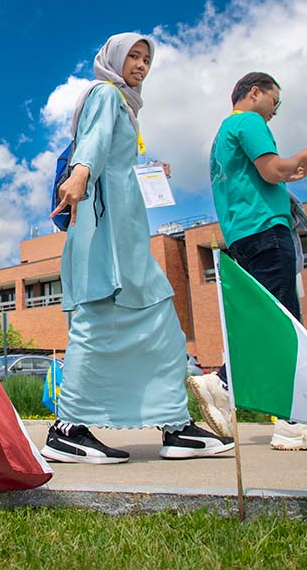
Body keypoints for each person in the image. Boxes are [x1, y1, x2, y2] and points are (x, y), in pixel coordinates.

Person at [42, 33, 233, 464]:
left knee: (161, 332)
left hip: (124, 239)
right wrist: (79, 175)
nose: (142, 64)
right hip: (104, 237)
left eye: (147, 58)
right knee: (94, 327)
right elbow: (90, 143)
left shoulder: (126, 106)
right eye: (134, 55)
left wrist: (146, 169)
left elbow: (111, 156)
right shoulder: (106, 94)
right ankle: (67, 430)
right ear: (112, 58)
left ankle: (173, 424)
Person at [192, 72, 307, 451]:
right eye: (274, 102)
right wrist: (299, 160)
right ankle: (290, 419)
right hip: (267, 227)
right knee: (284, 323)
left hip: (242, 234)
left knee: (266, 321)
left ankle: (227, 385)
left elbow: (262, 176)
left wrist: (290, 170)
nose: (275, 111)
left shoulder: (221, 137)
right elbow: (271, 169)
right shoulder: (249, 121)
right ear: (255, 92)